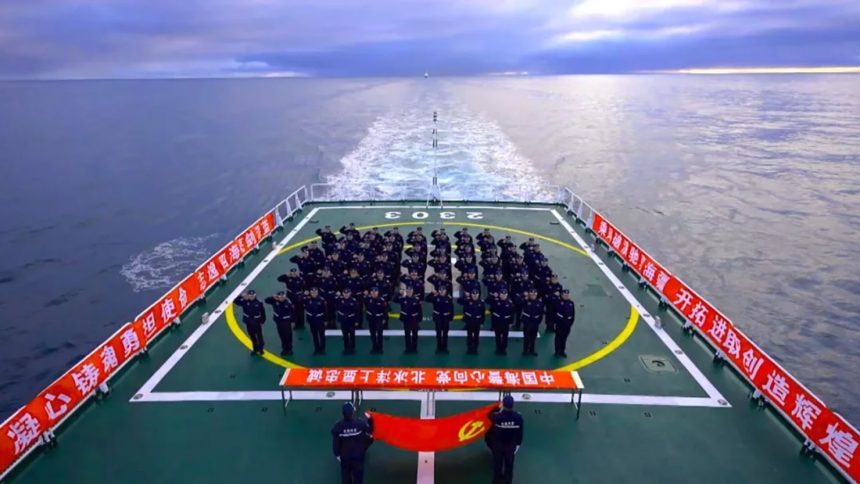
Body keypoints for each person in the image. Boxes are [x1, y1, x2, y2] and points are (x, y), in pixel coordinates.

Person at [332, 402, 374, 484]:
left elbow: (336, 442)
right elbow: (370, 430)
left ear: (343, 413)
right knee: (358, 477)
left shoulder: (338, 426)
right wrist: (370, 419)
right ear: (353, 413)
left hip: (345, 458)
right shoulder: (360, 424)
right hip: (358, 457)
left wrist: (337, 455)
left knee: (346, 477)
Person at [486, 395, 523, 484]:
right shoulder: (518, 418)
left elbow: (489, 415)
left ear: (503, 404)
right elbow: (520, 433)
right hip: (510, 446)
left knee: (497, 466)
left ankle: (497, 481)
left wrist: (497, 408)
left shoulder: (497, 417)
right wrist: (517, 444)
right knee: (509, 467)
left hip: (498, 445)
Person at [234, 290, 266, 355]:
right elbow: (235, 301)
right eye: (250, 296)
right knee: (252, 336)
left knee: (259, 336)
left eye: (253, 296)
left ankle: (261, 349)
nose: (251, 297)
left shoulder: (259, 303)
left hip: (256, 321)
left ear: (255, 295)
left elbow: (263, 312)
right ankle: (255, 349)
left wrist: (263, 320)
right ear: (248, 296)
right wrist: (241, 296)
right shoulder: (245, 302)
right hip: (248, 321)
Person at [264, 291, 294, 355]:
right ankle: (284, 349)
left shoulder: (288, 302)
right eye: (280, 297)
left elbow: (293, 312)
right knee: (282, 335)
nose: (281, 298)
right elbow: (266, 300)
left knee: (288, 336)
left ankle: (289, 349)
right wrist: (272, 297)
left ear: (285, 296)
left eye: (283, 296)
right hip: (279, 321)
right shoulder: (274, 301)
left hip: (287, 321)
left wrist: (293, 321)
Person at [394, 286, 422, 354]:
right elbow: (394, 300)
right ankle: (408, 348)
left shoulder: (416, 299)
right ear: (406, 291)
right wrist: (399, 294)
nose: (409, 292)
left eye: (410, 291)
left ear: (412, 291)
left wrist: (419, 320)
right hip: (406, 319)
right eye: (408, 291)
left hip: (414, 319)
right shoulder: (403, 299)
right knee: (407, 334)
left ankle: (414, 348)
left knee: (415, 334)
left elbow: (419, 310)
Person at [426, 286, 454, 354]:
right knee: (438, 333)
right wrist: (432, 293)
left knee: (445, 333)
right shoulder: (435, 297)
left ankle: (444, 348)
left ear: (445, 291)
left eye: (443, 290)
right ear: (438, 291)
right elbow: (426, 299)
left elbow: (451, 308)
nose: (441, 291)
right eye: (440, 290)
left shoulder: (448, 298)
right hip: (438, 318)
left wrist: (451, 317)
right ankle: (439, 348)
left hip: (446, 318)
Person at [487, 288, 514, 355]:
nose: (503, 295)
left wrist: (511, 322)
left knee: (505, 336)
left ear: (507, 295)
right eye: (502, 294)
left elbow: (512, 313)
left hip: (505, 322)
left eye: (505, 294)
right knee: (497, 336)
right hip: (497, 322)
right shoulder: (495, 301)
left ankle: (504, 349)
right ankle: (498, 348)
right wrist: (493, 296)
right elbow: (487, 302)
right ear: (499, 294)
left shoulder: (510, 303)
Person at [459, 289, 485, 355]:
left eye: (476, 294)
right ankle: (469, 348)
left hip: (477, 321)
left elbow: (483, 314)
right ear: (471, 295)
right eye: (473, 294)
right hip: (470, 321)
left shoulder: (481, 303)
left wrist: (482, 322)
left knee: (476, 336)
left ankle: (475, 349)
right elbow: (459, 301)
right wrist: (465, 296)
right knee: (469, 336)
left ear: (478, 295)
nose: (475, 296)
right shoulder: (467, 301)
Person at [302, 287, 328, 354]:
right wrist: (304, 294)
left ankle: (322, 349)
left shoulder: (322, 300)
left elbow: (325, 311)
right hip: (312, 320)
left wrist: (325, 320)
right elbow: (299, 299)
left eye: (315, 292)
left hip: (320, 319)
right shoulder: (307, 299)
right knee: (314, 335)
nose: (314, 294)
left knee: (322, 335)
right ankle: (316, 349)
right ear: (310, 293)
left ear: (317, 292)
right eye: (312, 292)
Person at [364, 287, 389, 354]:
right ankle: (374, 347)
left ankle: (380, 348)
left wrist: (384, 319)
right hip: (371, 319)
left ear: (378, 292)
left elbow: (385, 310)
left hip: (379, 319)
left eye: (375, 292)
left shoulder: (382, 300)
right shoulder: (368, 299)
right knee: (372, 334)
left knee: (380, 334)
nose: (374, 293)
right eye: (372, 292)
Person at [335, 288, 360, 354]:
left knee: (352, 335)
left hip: (351, 320)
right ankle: (346, 348)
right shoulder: (339, 300)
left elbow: (357, 311)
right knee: (345, 335)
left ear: (350, 293)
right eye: (345, 293)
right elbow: (337, 308)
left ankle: (352, 348)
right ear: (342, 293)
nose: (346, 294)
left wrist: (357, 321)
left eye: (347, 293)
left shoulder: (354, 301)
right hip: (343, 320)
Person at [521, 288, 544, 356]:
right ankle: (525, 351)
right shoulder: (525, 301)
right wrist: (524, 297)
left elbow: (541, 313)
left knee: (533, 337)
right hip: (527, 322)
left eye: (534, 294)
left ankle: (532, 350)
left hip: (535, 322)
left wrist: (538, 321)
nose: (533, 295)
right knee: (526, 337)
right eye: (531, 293)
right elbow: (518, 303)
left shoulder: (539, 303)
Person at [554, 289, 576, 357]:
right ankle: (557, 352)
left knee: (564, 338)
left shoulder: (571, 303)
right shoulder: (558, 302)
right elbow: (555, 312)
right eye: (565, 295)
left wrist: (570, 323)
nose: (566, 296)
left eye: (567, 295)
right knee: (558, 338)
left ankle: (562, 351)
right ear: (562, 295)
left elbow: (573, 314)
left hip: (567, 324)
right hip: (560, 323)